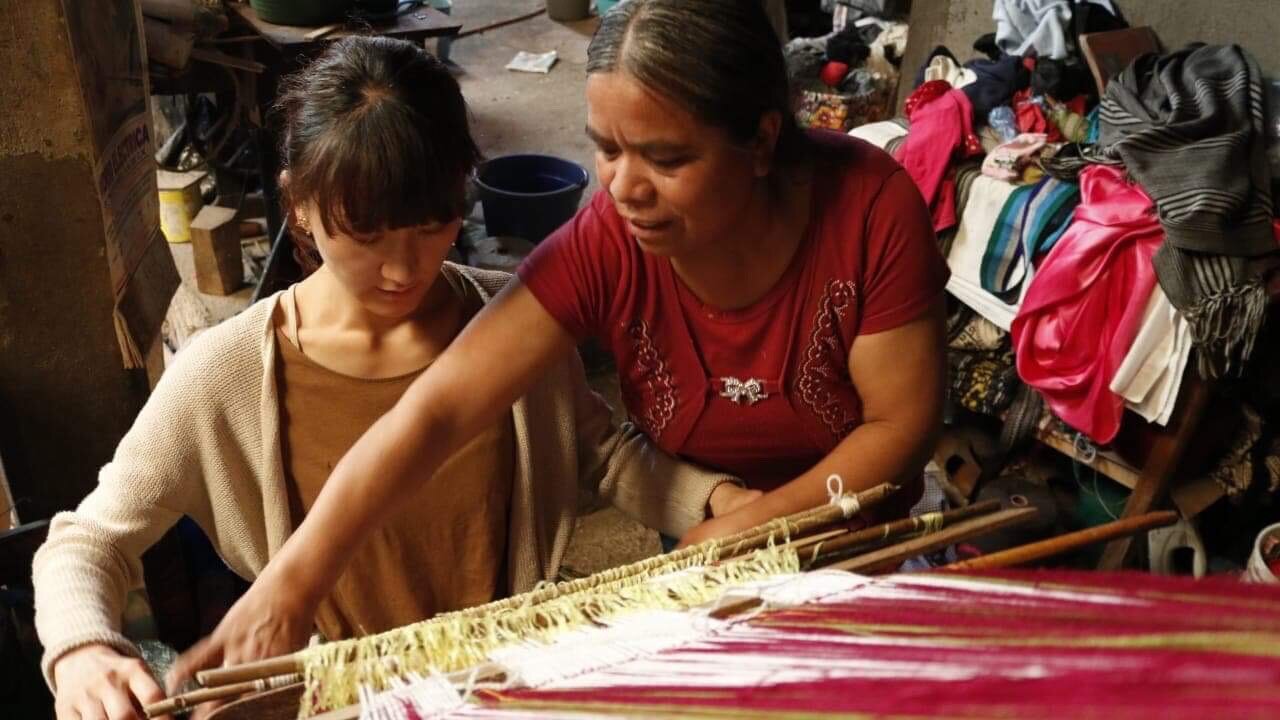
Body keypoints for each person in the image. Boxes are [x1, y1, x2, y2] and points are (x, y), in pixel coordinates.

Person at [179, 0, 948, 682]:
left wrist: (748, 526)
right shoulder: (608, 243)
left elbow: (897, 428)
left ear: (760, 142)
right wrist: (292, 583)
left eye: (667, 157)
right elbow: (437, 412)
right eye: (607, 149)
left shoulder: (866, 208)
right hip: (705, 555)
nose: (623, 188)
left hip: (859, 549)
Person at [33, 35, 751, 720]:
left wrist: (720, 502)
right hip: (343, 700)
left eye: (432, 225)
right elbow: (87, 541)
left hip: (502, 680)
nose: (405, 269)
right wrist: (83, 649)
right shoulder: (222, 375)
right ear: (301, 207)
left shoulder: (512, 325)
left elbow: (602, 453)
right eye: (368, 236)